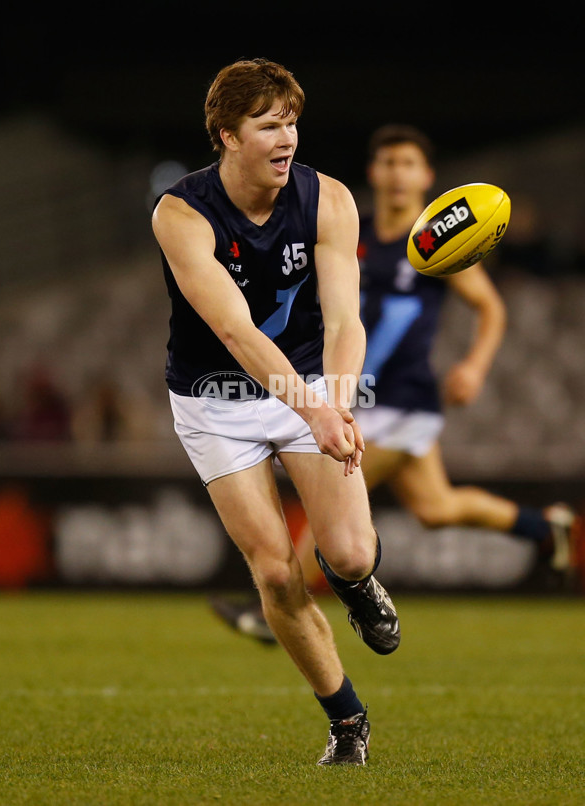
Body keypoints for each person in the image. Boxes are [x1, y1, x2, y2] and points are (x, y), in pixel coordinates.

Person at [210, 123, 580, 644]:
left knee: (334, 489)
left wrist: (474, 365)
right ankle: (543, 527)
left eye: (409, 164)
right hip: (359, 397)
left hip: (408, 402)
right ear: (373, 172)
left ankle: (277, 605)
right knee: (435, 508)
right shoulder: (351, 229)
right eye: (389, 163)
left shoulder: (437, 241)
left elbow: (491, 308)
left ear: (427, 176)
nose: (398, 174)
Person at [151, 59, 401, 766]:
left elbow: (347, 321)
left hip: (312, 385)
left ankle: (356, 583)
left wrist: (339, 406)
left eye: (291, 121)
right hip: (214, 400)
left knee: (349, 552)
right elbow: (235, 332)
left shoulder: (330, 200)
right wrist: (314, 410)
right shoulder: (180, 213)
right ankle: (347, 722)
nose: (286, 136)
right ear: (227, 135)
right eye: (267, 125)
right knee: (273, 573)